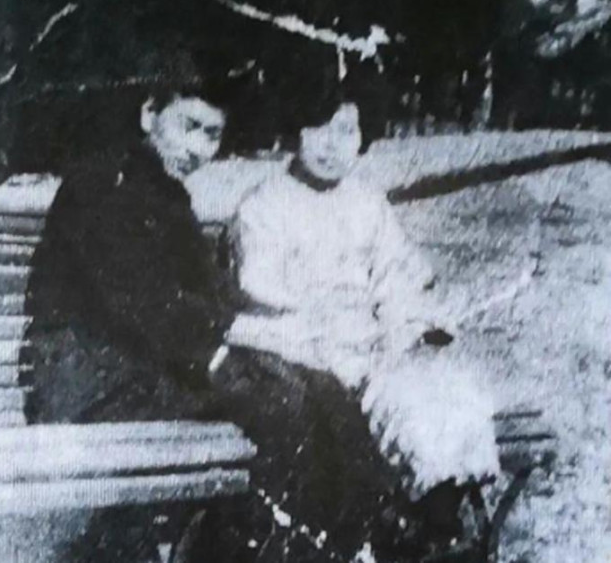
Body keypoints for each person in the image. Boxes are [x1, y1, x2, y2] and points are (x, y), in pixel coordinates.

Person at [207, 94, 499, 562]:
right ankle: (372, 536)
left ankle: (437, 532)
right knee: (348, 417)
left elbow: (397, 276)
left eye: (345, 131)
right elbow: (260, 295)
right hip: (305, 352)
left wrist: (399, 323)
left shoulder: (367, 202)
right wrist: (328, 326)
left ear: (362, 137)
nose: (330, 145)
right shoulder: (265, 207)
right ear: (296, 132)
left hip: (373, 347)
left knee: (441, 397)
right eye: (318, 129)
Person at [23, 87, 239, 561]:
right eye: (189, 126)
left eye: (213, 134)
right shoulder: (101, 185)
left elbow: (211, 293)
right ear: (149, 114)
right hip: (82, 382)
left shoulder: (167, 194)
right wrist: (217, 341)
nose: (198, 148)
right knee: (263, 406)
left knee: (276, 399)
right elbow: (143, 304)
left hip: (136, 376)